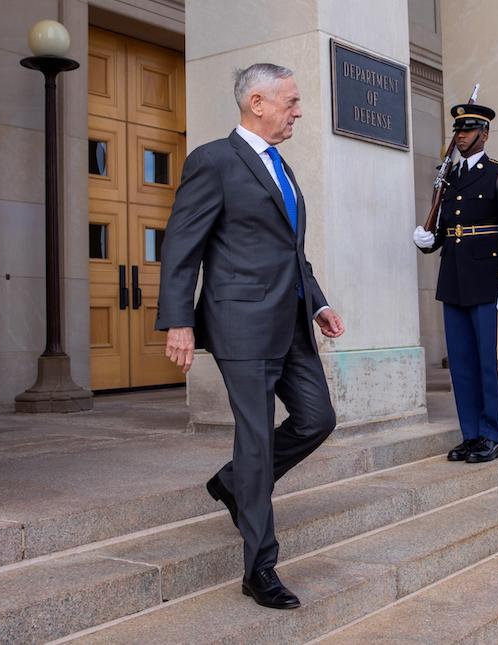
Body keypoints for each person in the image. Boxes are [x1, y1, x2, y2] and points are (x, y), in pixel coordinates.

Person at [156, 63, 345, 610]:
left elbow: (289, 248)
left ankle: (235, 483)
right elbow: (181, 247)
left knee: (317, 419)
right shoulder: (214, 161)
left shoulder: (280, 165)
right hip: (240, 323)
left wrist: (320, 302)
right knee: (258, 438)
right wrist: (179, 320)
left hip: (291, 321)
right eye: (291, 101)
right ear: (256, 102)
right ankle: (260, 567)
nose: (299, 111)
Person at [412, 103, 498, 464]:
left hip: (488, 280)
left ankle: (492, 434)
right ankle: (471, 434)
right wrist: (431, 240)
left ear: (484, 134)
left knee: (488, 362)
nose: (460, 136)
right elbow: (449, 226)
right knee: (461, 363)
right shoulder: (449, 176)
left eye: (468, 130)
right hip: (455, 279)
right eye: (458, 131)